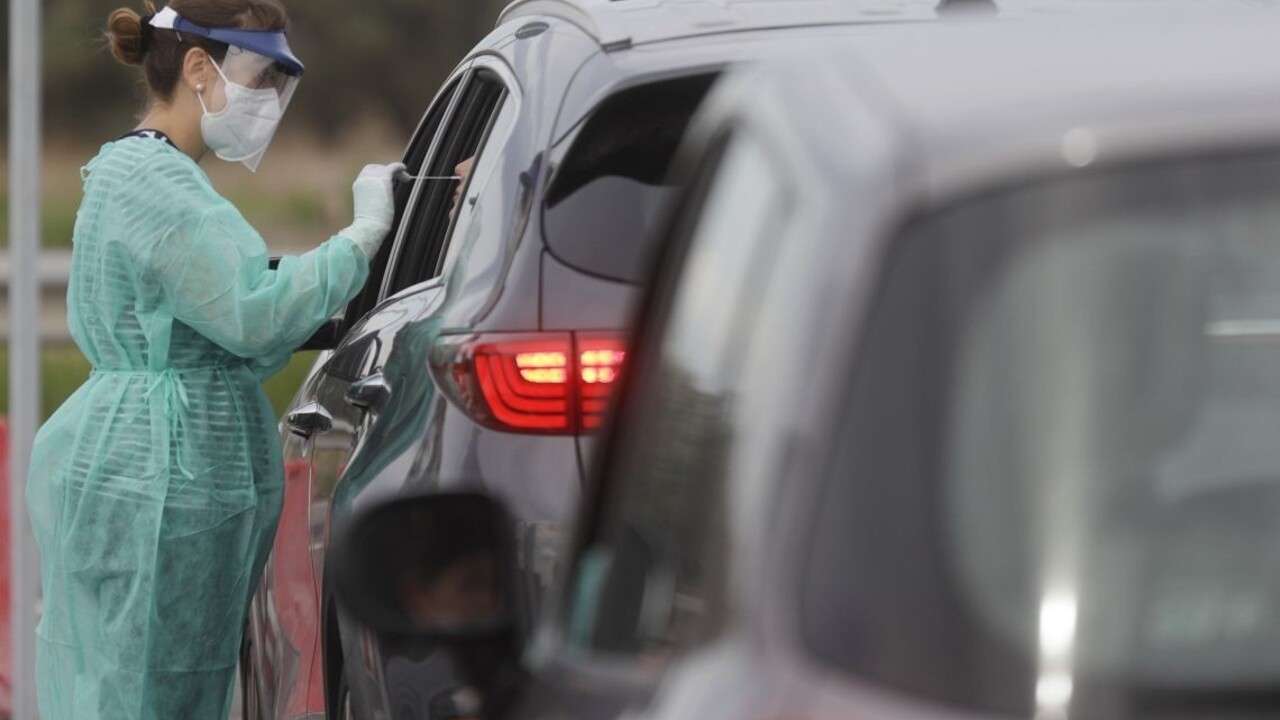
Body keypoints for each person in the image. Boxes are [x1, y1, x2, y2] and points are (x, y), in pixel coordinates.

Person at [23, 1, 403, 718]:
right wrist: (363, 235)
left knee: (136, 685)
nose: (269, 102)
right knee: (146, 690)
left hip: (144, 469)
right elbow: (254, 312)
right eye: (262, 76)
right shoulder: (157, 188)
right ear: (200, 67)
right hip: (159, 482)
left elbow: (217, 310)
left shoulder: (145, 174)